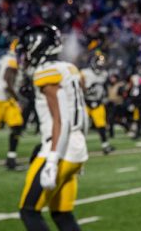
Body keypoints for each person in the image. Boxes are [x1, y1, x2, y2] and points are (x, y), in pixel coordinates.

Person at [17, 25, 89, 231]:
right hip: (76, 149)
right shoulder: (69, 68)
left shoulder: (46, 72)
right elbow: (81, 115)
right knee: (62, 214)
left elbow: (62, 119)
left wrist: (52, 160)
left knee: (29, 211)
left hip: (59, 148)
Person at [0, 40, 25, 170]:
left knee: (16, 126)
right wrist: (18, 99)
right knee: (11, 127)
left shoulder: (5, 58)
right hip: (2, 96)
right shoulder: (12, 60)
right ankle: (11, 160)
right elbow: (7, 81)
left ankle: (11, 159)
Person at [80, 52, 114, 154]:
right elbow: (78, 86)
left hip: (98, 102)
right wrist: (85, 89)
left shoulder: (104, 74)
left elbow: (105, 87)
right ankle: (78, 147)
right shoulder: (84, 73)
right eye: (98, 64)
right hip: (85, 102)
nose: (100, 67)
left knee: (101, 125)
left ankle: (105, 145)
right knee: (82, 126)